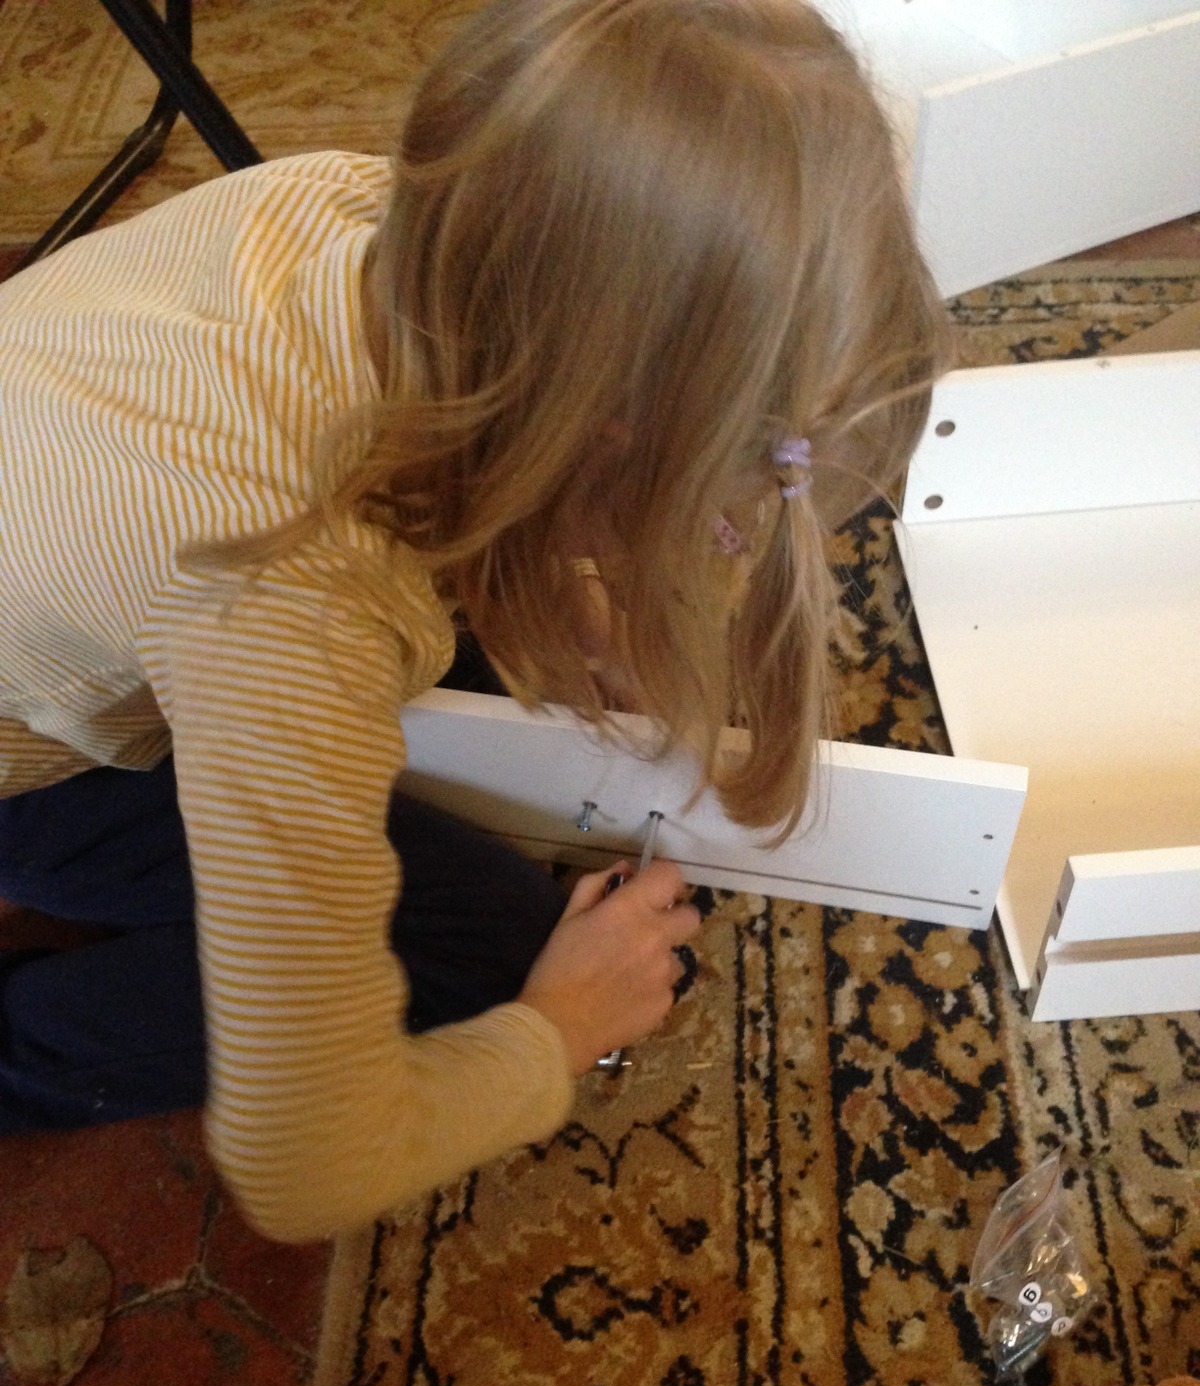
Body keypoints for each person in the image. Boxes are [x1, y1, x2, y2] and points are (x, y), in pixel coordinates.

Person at [0, 0, 947, 1241]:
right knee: (495, 947)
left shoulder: (369, 209)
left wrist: (584, 604)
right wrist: (553, 1033)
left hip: (111, 574)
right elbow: (306, 1165)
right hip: (37, 762)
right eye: (715, 510)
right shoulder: (283, 605)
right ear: (601, 437)